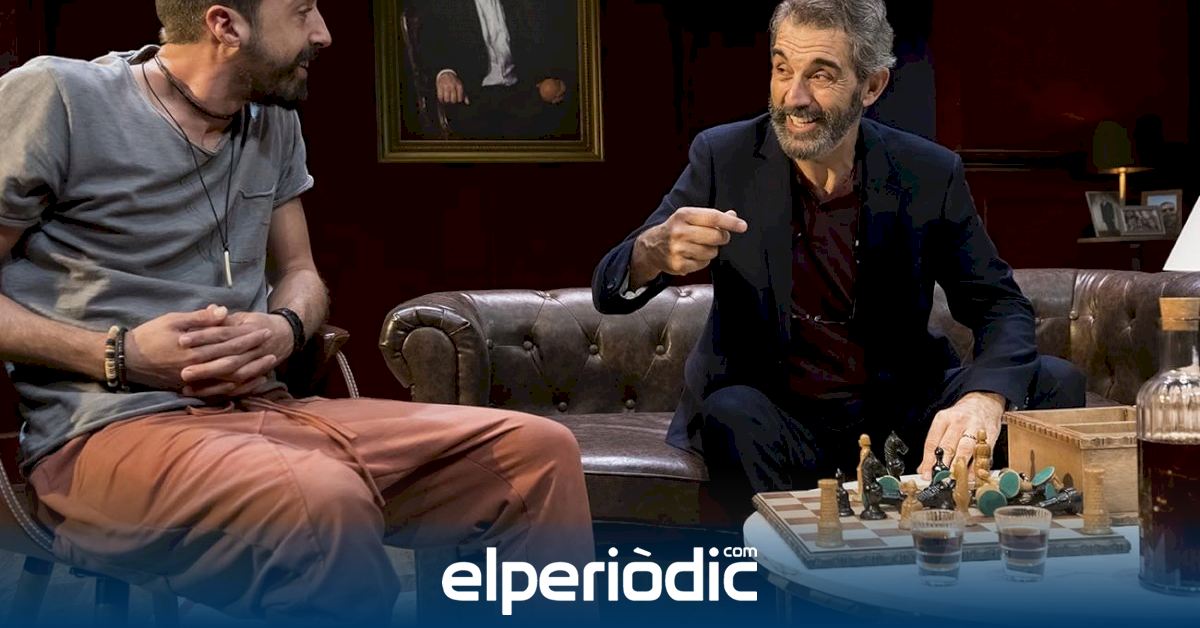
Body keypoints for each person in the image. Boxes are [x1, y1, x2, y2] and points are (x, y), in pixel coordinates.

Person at [0, 1, 592, 624]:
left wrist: (284, 327)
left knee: (536, 453)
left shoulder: (271, 119)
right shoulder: (59, 96)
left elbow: (301, 274)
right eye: (303, 11)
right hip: (107, 432)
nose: (323, 34)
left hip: (265, 410)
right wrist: (120, 354)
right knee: (321, 504)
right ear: (225, 25)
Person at [592, 0, 1085, 522]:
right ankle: (788, 568)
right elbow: (609, 288)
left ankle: (991, 555)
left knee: (1054, 381)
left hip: (897, 414)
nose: (794, 97)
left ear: (871, 86)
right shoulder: (724, 157)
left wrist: (984, 397)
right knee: (731, 414)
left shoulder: (927, 172)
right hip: (778, 415)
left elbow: (999, 305)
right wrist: (650, 252)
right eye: (782, 69)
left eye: (820, 75)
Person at [415, 0, 577, 139]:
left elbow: (539, 42)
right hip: (473, 97)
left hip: (520, 91)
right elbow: (430, 40)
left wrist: (549, 79)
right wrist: (445, 72)